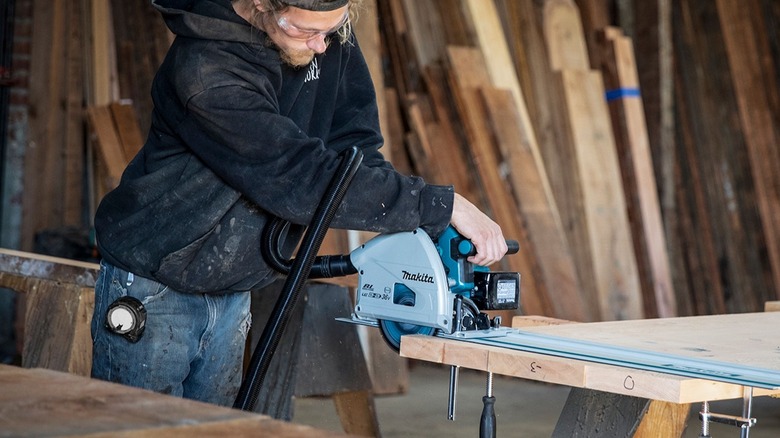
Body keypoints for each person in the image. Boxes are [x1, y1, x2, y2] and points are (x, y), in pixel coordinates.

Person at [90, 0, 508, 407]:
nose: (322, 46)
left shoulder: (321, 30)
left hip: (233, 284)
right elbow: (298, 177)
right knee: (140, 425)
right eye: (307, 31)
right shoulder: (205, 70)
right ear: (260, 5)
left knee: (213, 428)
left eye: (332, 29)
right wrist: (441, 205)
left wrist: (410, 221)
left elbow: (354, 148)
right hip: (157, 281)